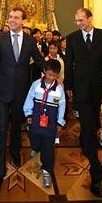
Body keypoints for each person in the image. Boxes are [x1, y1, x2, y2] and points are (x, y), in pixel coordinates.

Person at [0, 7, 44, 197]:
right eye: (10, 17)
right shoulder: (0, 39)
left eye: (16, 18)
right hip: (2, 91)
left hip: (22, 92)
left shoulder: (30, 40)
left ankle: (15, 151)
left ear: (23, 20)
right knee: (1, 128)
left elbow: (38, 60)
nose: (12, 20)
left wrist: (52, 74)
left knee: (17, 126)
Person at [64, 8, 102, 198]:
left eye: (81, 20)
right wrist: (68, 87)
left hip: (97, 89)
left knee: (93, 119)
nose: (78, 23)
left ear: (89, 18)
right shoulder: (72, 38)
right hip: (79, 90)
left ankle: (87, 139)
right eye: (76, 21)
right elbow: (69, 64)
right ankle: (96, 172)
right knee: (88, 126)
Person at [23, 59, 66, 187]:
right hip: (36, 118)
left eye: (54, 75)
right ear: (44, 72)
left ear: (57, 75)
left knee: (48, 147)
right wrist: (28, 113)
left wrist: (59, 121)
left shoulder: (59, 89)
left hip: (51, 122)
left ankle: (46, 170)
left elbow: (62, 105)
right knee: (33, 137)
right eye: (49, 74)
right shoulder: (36, 84)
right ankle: (35, 147)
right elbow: (29, 98)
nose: (51, 78)